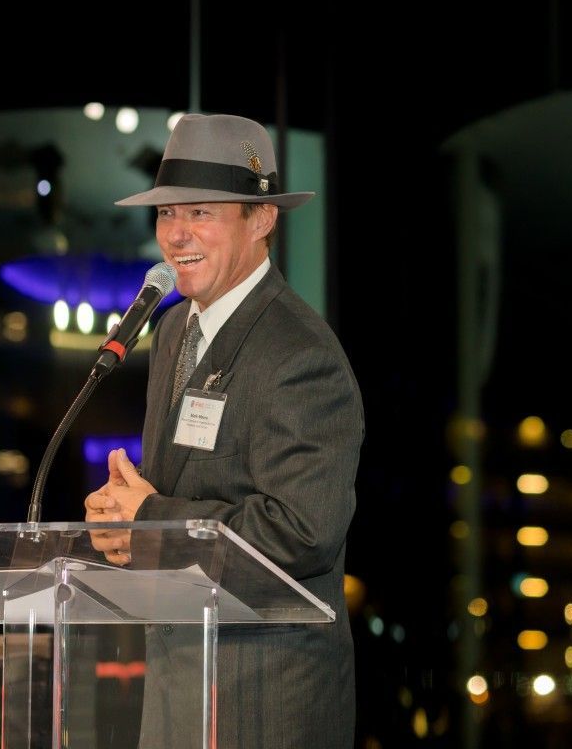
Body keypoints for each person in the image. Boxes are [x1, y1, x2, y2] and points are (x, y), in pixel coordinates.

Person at [84, 113, 365, 749]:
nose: (176, 234)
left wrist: (151, 519)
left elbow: (302, 534)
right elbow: (176, 497)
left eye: (201, 212)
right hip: (177, 694)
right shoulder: (173, 331)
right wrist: (123, 524)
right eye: (165, 214)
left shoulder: (300, 355)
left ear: (261, 220)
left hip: (262, 704)